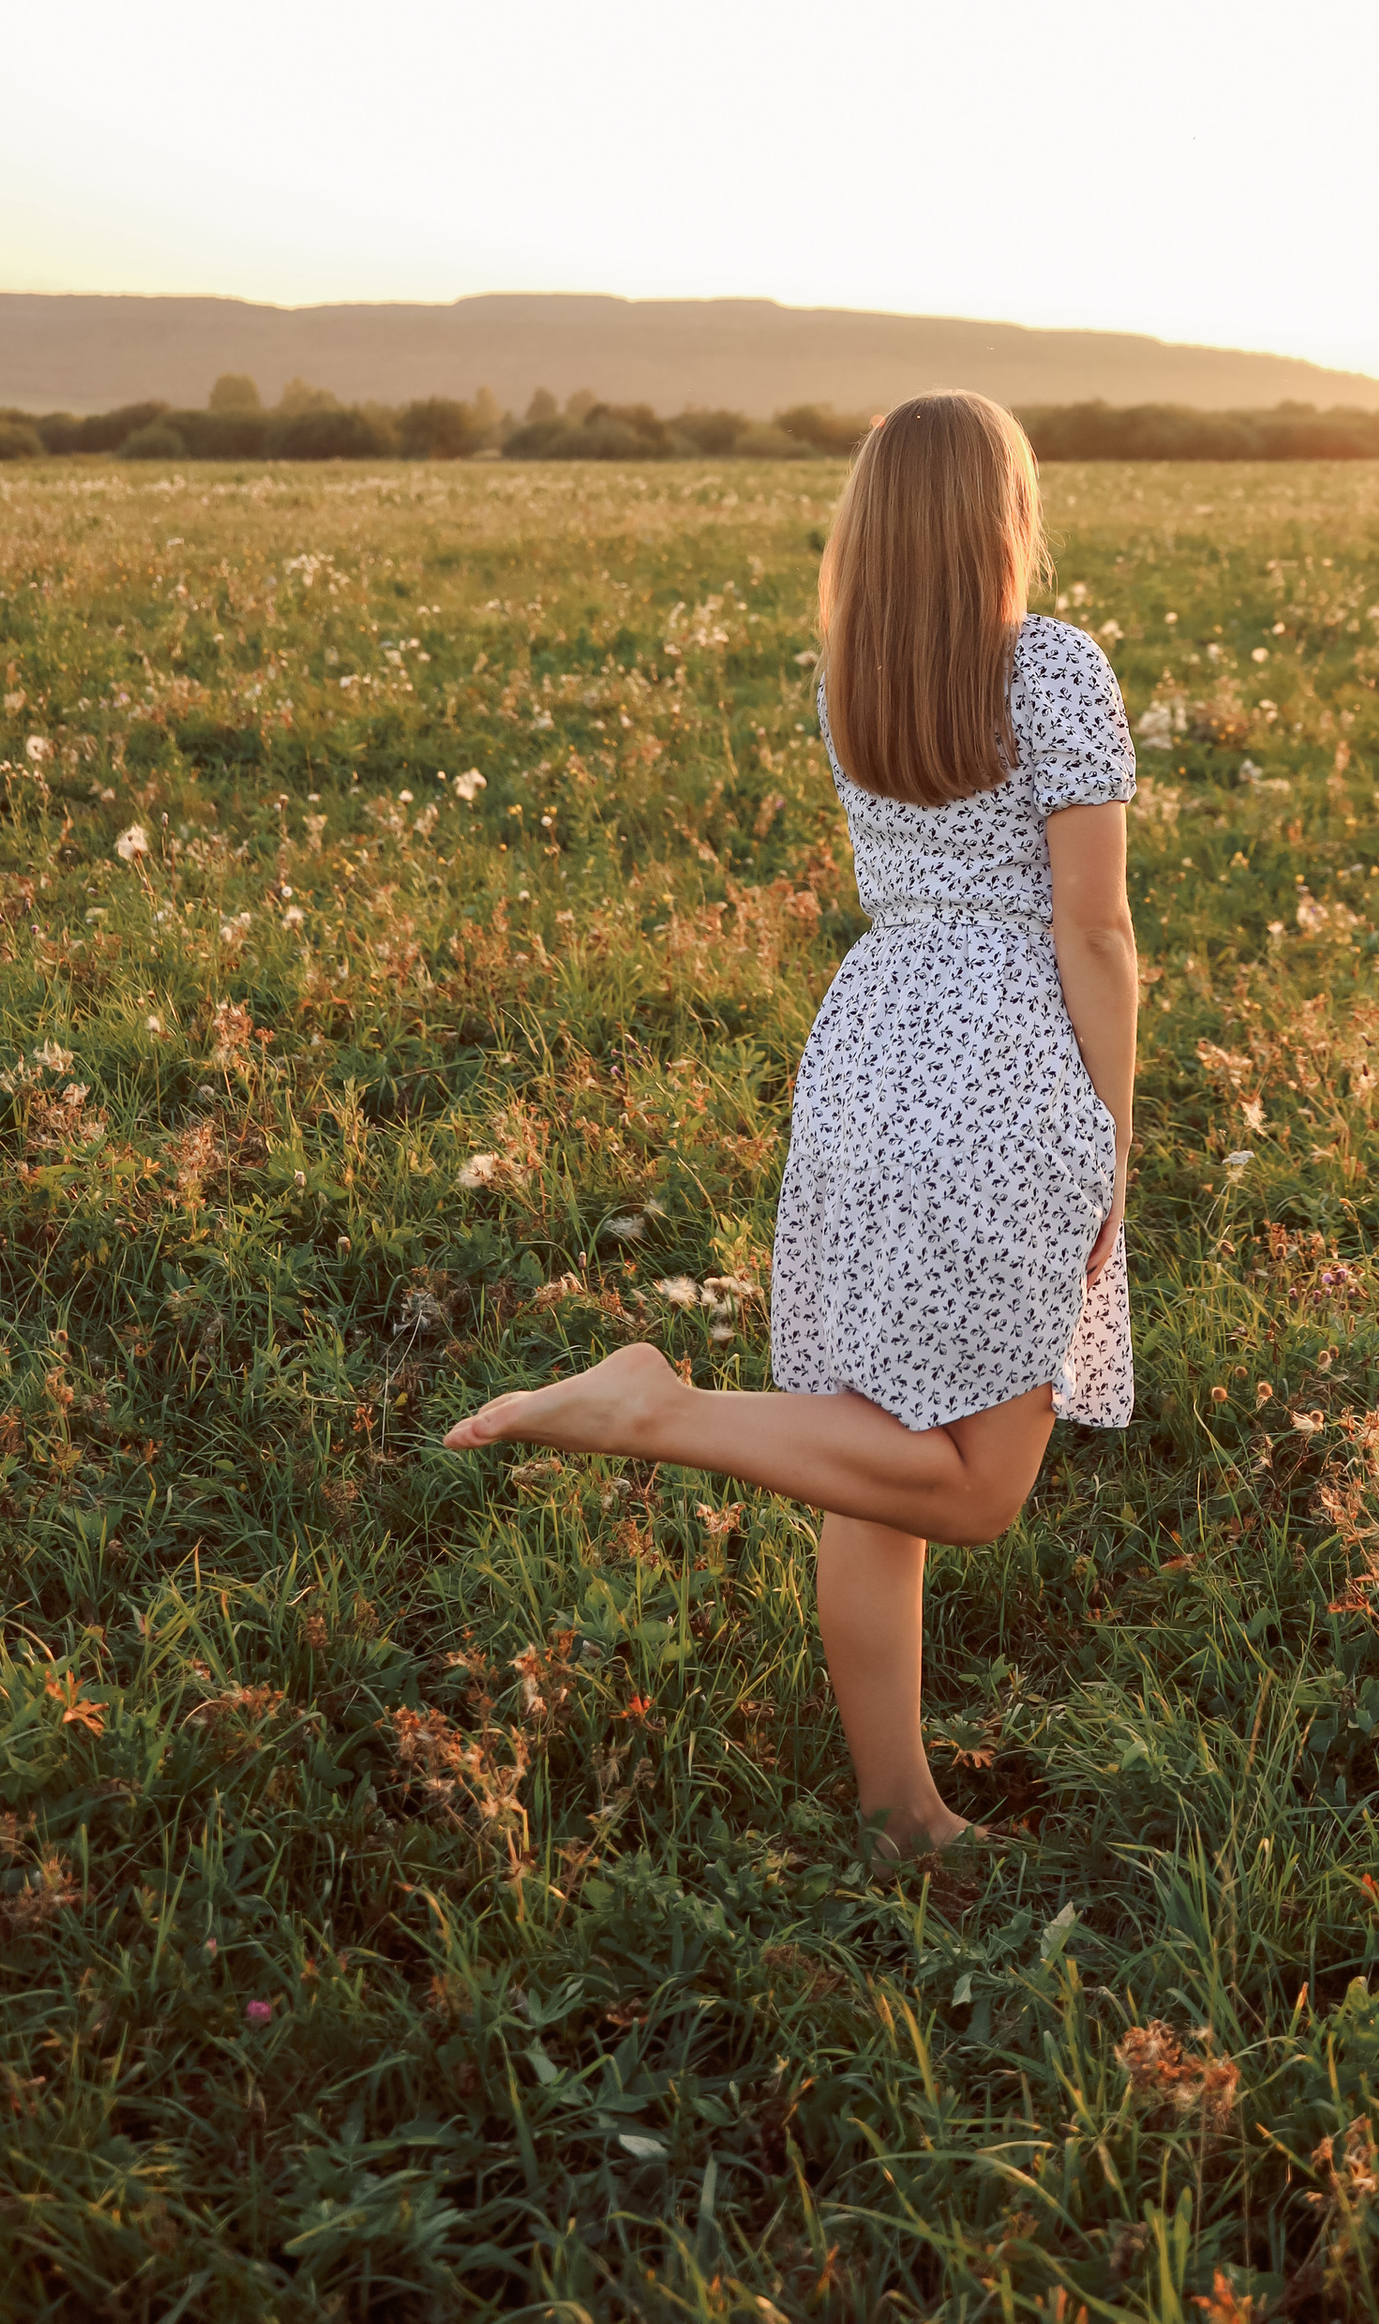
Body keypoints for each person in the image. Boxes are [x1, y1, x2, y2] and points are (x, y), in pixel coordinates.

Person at [445, 389, 1137, 1862]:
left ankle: (899, 1813)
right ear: (1003, 517)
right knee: (978, 1488)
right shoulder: (1057, 669)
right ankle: (659, 1412)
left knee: (867, 1451)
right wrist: (1113, 1150)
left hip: (875, 1051)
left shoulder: (853, 677)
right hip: (1008, 1064)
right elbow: (1095, 933)